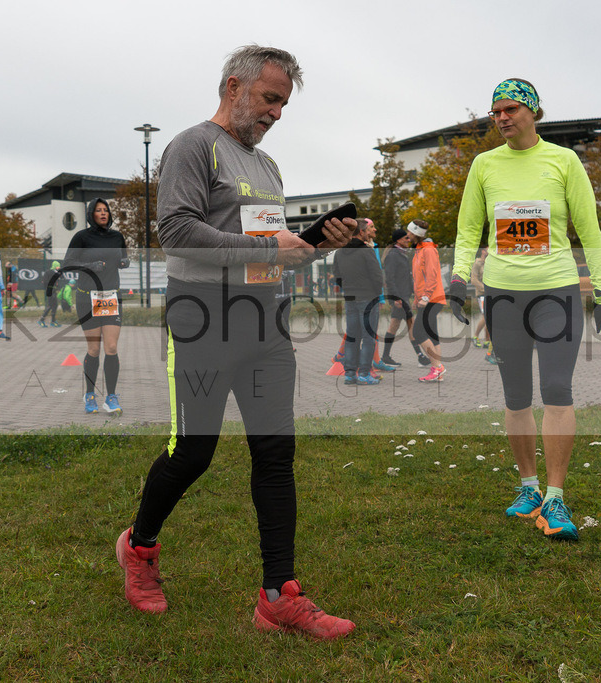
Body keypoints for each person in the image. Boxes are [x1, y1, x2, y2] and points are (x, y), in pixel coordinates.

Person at [115, 45, 356, 640]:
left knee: (275, 456)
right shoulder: (193, 146)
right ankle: (139, 549)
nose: (277, 113)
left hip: (265, 323)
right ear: (234, 87)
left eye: (283, 103)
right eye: (270, 98)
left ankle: (279, 595)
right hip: (202, 321)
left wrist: (314, 246)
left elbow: (272, 256)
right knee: (192, 454)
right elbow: (175, 232)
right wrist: (269, 250)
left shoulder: (269, 168)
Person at [450, 78, 601, 542]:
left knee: (558, 387)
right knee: (516, 395)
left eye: (509, 109)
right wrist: (459, 278)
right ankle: (528, 486)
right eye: (495, 112)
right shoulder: (484, 165)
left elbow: (590, 229)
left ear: (533, 111)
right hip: (503, 295)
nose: (501, 117)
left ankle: (556, 495)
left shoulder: (563, 161)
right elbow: (468, 230)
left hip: (556, 292)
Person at [62, 198, 129, 415]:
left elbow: (124, 258)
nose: (103, 213)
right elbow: (67, 264)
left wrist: (124, 263)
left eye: (106, 210)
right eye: (99, 210)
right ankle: (89, 395)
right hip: (87, 298)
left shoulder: (117, 237)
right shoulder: (82, 237)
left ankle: (111, 397)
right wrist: (90, 266)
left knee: (111, 348)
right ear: (91, 213)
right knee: (94, 349)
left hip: (110, 297)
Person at [333, 218, 384, 385]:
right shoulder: (366, 251)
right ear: (361, 232)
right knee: (369, 336)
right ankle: (364, 373)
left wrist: (347, 289)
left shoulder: (339, 252)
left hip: (350, 298)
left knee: (352, 335)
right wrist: (376, 294)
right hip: (368, 297)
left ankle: (349, 374)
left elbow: (337, 275)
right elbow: (377, 276)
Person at [408, 220, 446, 381]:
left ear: (416, 234)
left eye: (409, 232)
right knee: (432, 334)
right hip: (427, 299)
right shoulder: (419, 250)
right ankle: (438, 371)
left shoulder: (428, 250)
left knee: (418, 333)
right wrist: (417, 299)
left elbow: (431, 276)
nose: (407, 235)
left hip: (431, 299)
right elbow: (419, 279)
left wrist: (425, 297)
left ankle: (437, 368)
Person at [380, 228, 423, 367]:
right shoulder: (394, 255)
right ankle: (420, 355)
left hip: (403, 295)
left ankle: (386, 356)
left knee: (395, 325)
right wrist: (395, 298)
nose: (408, 240)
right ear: (398, 240)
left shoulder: (401, 253)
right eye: (406, 238)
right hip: (399, 297)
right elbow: (390, 279)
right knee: (411, 324)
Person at [37, 261, 64, 327]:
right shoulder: (48, 272)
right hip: (50, 290)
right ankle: (41, 320)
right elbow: (44, 281)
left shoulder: (57, 272)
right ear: (55, 266)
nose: (59, 267)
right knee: (50, 305)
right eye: (58, 266)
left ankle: (53, 321)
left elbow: (62, 277)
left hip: (54, 291)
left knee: (55, 305)